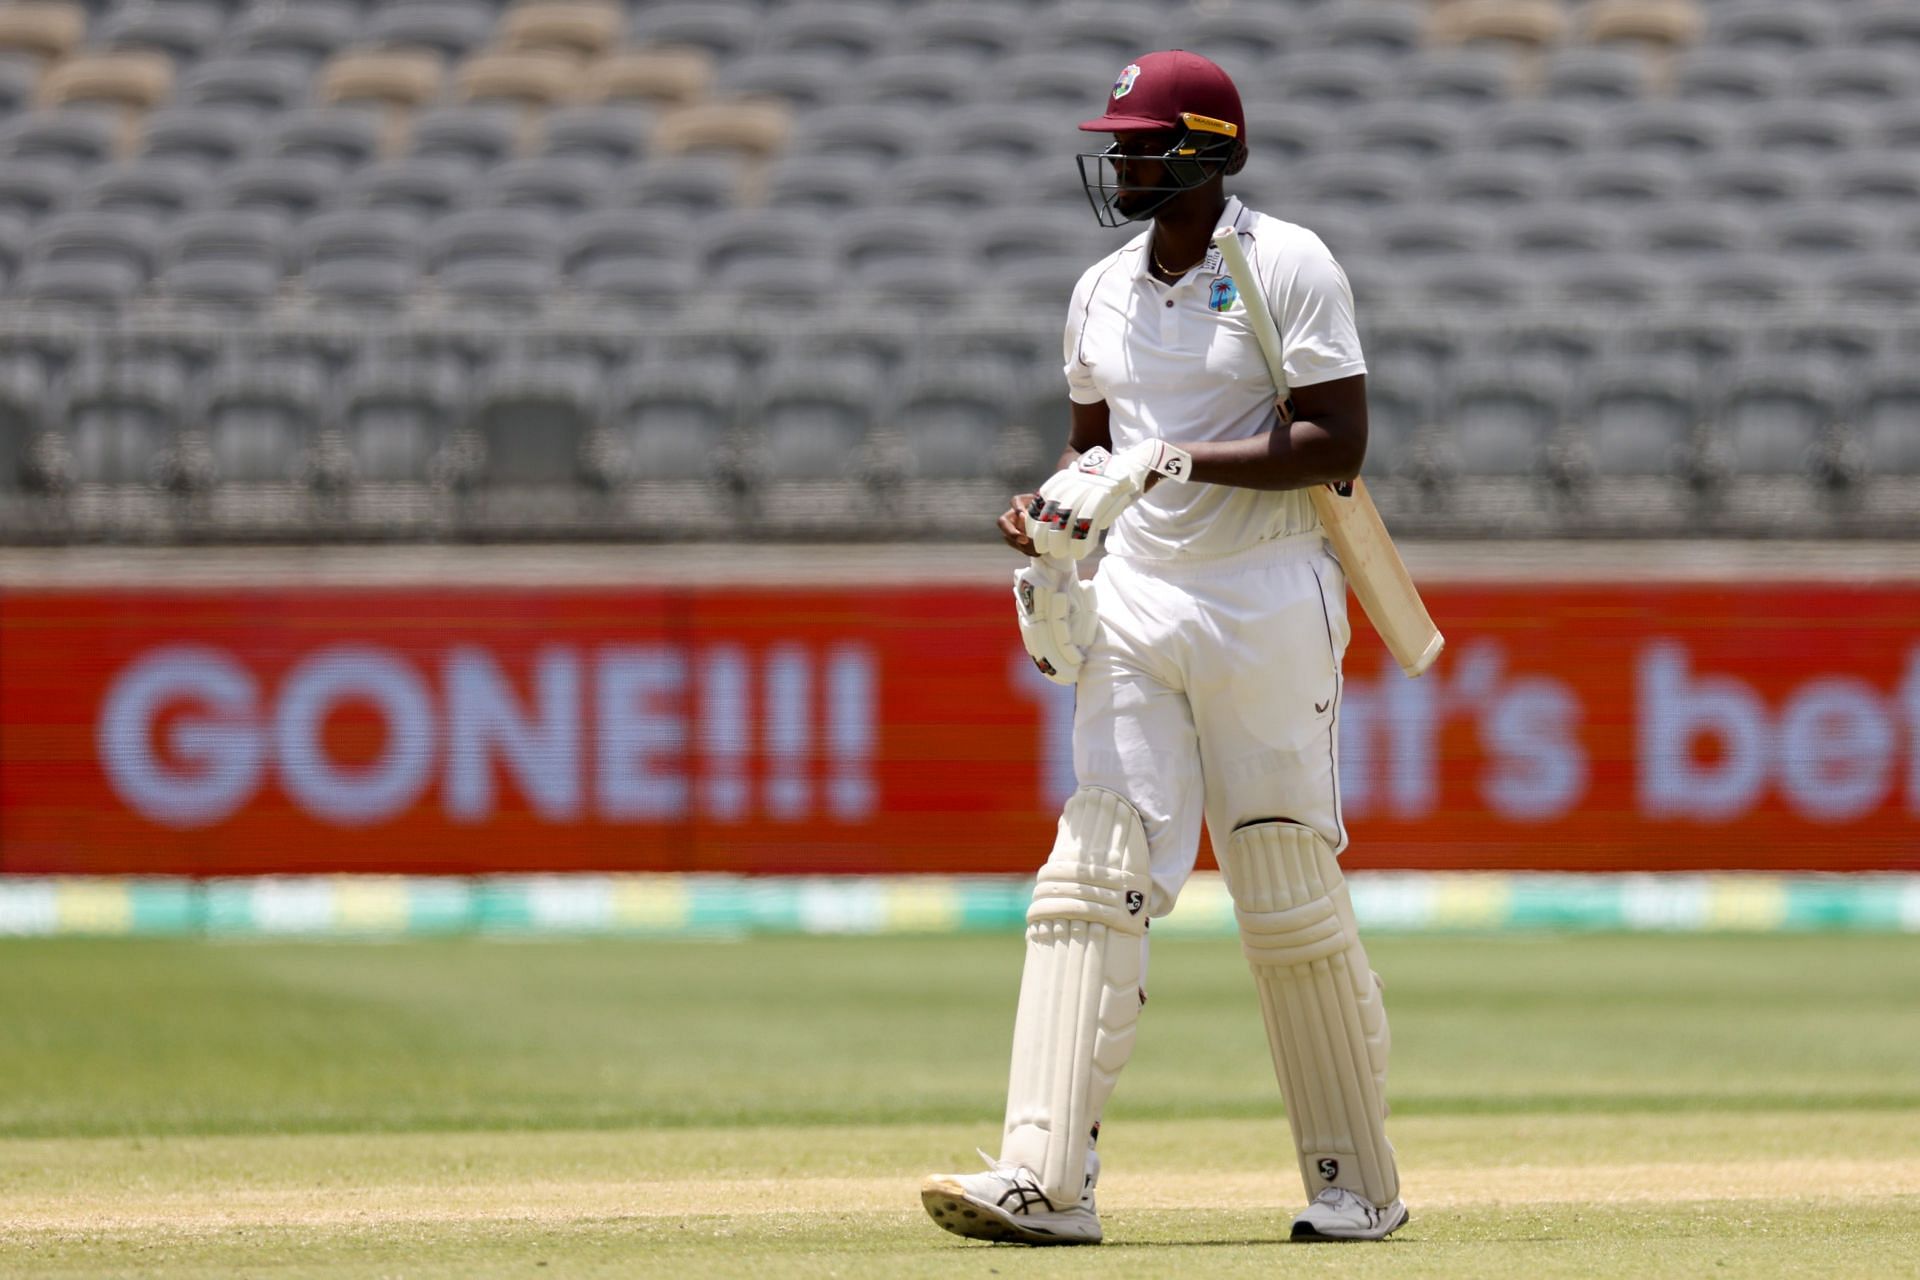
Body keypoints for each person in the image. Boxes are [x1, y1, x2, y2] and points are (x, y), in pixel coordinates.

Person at [919, 50, 1407, 1246]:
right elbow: (1096, 448)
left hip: (1266, 595)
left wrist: (1176, 460)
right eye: (1121, 143)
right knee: (1096, 865)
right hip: (1136, 593)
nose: (1122, 161)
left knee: (1280, 873)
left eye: (1142, 143)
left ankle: (1357, 1185)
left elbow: (1335, 441)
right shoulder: (1099, 290)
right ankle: (1047, 1178)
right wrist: (1050, 513)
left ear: (1206, 153)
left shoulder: (1286, 263)